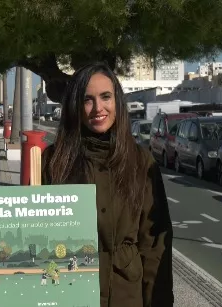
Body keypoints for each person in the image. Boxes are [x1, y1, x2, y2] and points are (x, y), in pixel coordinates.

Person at [41, 63, 173, 307]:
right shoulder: (53, 161)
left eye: (105, 97)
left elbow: (154, 245)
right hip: (70, 295)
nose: (98, 108)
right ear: (75, 107)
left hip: (126, 296)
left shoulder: (139, 161)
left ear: (117, 102)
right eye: (87, 100)